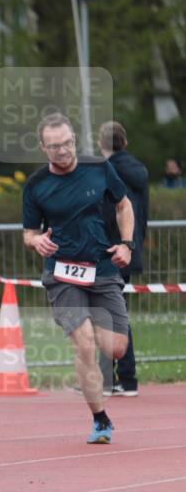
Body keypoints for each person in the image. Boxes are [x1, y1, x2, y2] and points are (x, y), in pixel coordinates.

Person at [23, 112, 135, 444]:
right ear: (43, 148)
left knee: (115, 348)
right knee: (84, 344)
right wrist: (36, 241)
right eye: (54, 146)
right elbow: (28, 232)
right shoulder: (36, 185)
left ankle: (99, 348)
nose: (63, 151)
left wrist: (126, 244)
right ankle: (100, 419)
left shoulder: (99, 168)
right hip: (62, 272)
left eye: (67, 143)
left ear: (74, 139)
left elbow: (124, 205)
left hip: (102, 266)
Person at [98, 120, 149, 396]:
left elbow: (107, 213)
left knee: (107, 314)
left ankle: (111, 378)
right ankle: (123, 379)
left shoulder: (105, 172)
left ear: (101, 143)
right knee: (117, 314)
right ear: (125, 142)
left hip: (109, 250)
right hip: (129, 248)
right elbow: (143, 213)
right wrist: (135, 245)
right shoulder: (139, 171)